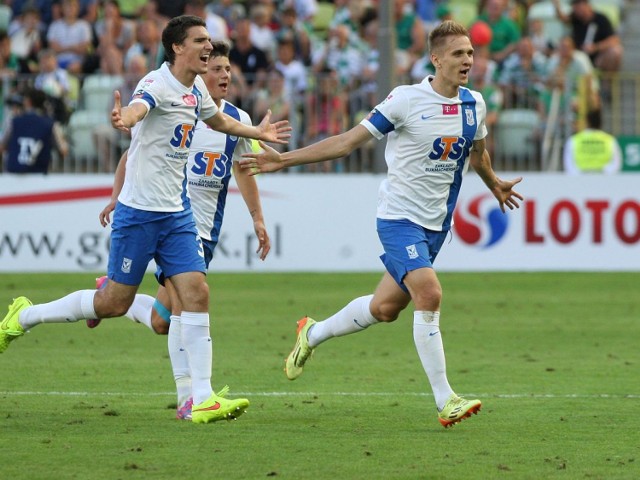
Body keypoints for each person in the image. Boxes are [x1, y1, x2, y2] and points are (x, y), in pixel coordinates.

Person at [0, 15, 290, 425]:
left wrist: (256, 131)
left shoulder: (195, 93)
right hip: (139, 214)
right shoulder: (156, 84)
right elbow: (139, 109)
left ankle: (201, 398)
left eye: (209, 41)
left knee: (197, 294)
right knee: (112, 303)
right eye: (200, 41)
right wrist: (126, 119)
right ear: (178, 48)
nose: (209, 47)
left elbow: (220, 121)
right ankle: (25, 315)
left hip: (177, 214)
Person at [240, 20, 524, 428]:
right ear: (436, 58)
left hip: (435, 226)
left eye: (471, 53)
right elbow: (347, 142)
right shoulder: (405, 100)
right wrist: (283, 159)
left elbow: (477, 155)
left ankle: (312, 333)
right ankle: (446, 400)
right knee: (429, 293)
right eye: (459, 53)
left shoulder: (474, 104)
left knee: (385, 308)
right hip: (398, 218)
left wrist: (494, 183)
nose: (468, 60)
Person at [89, 41, 271, 420]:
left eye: (227, 70)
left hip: (205, 230)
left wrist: (257, 217)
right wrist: (115, 197)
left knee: (161, 319)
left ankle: (109, 296)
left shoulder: (235, 120)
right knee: (188, 308)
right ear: (198, 73)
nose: (224, 75)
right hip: (172, 220)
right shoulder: (179, 108)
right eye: (215, 68)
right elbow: (131, 153)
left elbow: (244, 168)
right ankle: (190, 398)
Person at [0, 88, 69, 173]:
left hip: (13, 173)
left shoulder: (14, 121)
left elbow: (2, 146)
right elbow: (64, 150)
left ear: (28, 102)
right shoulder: (50, 124)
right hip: (38, 176)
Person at [552, 0, 623, 72]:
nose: (575, 9)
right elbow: (563, 18)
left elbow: (615, 40)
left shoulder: (601, 19)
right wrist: (556, 5)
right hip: (578, 56)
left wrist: (595, 47)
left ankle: (607, 81)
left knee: (615, 51)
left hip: (597, 58)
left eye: (577, 6)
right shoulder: (575, 18)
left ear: (586, 5)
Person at [563, 107, 621, 174]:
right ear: (601, 122)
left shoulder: (574, 140)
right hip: (603, 178)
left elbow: (569, 165)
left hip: (581, 178)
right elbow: (616, 164)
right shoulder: (609, 140)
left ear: (587, 122)